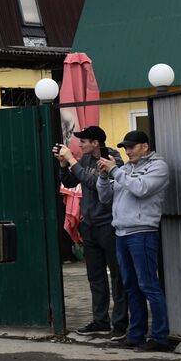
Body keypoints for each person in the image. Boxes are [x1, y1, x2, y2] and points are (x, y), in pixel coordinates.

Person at [97, 130, 173, 352]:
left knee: (148, 284)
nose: (127, 152)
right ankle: (136, 334)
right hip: (122, 233)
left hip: (143, 232)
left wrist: (115, 171)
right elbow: (105, 198)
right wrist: (103, 176)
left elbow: (141, 189)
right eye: (125, 148)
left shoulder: (158, 167)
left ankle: (160, 337)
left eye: (131, 147)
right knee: (131, 286)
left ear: (144, 147)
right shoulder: (126, 169)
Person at [55, 126, 126, 339]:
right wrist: (62, 164)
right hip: (89, 226)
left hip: (109, 225)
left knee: (117, 276)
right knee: (95, 277)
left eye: (84, 141)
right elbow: (70, 181)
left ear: (96, 143)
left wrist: (72, 160)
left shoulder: (112, 158)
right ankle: (100, 321)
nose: (80, 145)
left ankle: (120, 324)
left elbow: (92, 182)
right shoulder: (85, 160)